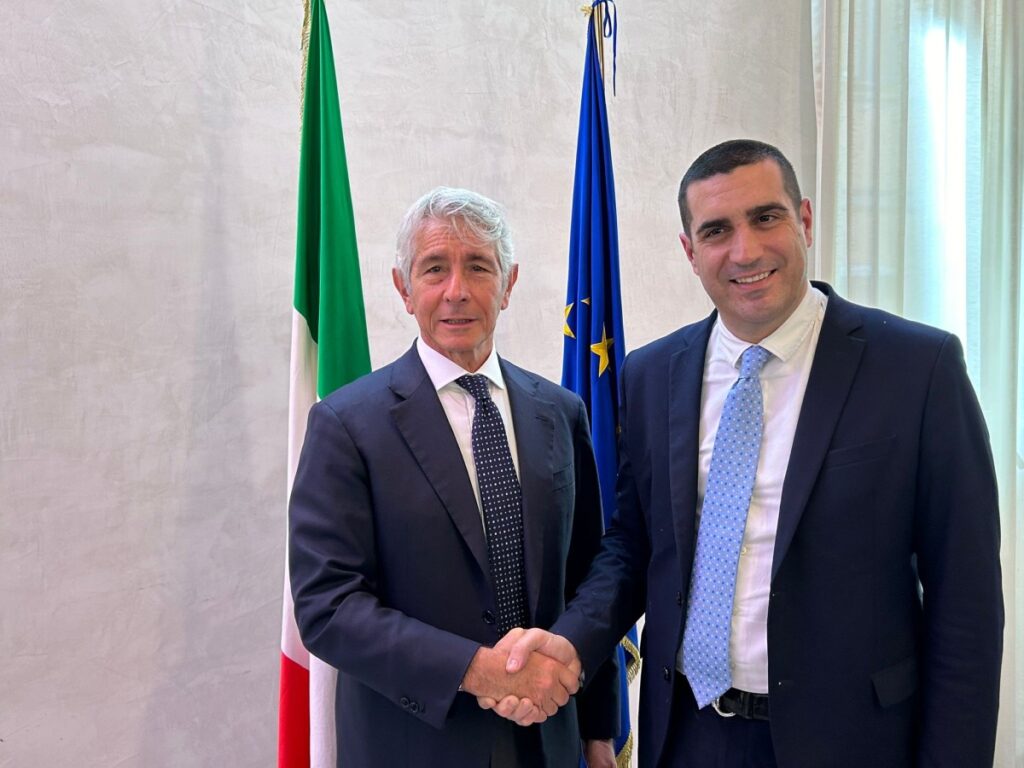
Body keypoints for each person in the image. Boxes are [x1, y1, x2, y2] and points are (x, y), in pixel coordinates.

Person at [497, 140, 1004, 767]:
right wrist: (571, 644)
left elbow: (966, 600)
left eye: (766, 217)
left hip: (852, 741)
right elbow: (634, 546)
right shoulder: (652, 375)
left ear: (805, 220)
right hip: (688, 735)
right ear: (690, 252)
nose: (745, 251)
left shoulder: (917, 368)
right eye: (716, 231)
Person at [288, 186, 619, 767]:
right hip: (415, 746)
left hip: (550, 742)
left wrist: (598, 733)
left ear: (509, 284)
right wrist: (479, 670)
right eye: (435, 268)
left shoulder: (561, 412)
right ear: (404, 288)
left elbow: (587, 576)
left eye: (479, 267)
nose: (457, 290)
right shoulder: (346, 425)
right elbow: (328, 606)